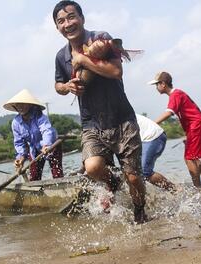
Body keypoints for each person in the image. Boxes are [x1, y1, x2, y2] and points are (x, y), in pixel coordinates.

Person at [53, 0, 147, 223]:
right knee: (93, 167)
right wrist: (67, 87)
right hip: (92, 123)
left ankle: (140, 211)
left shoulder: (100, 38)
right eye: (61, 21)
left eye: (71, 17)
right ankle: (112, 182)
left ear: (82, 18)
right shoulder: (61, 56)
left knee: (133, 177)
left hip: (122, 118)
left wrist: (84, 59)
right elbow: (57, 85)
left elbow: (116, 71)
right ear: (57, 28)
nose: (67, 24)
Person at [149, 71, 201, 188]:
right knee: (193, 157)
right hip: (196, 126)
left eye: (156, 84)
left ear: (163, 84)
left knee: (189, 158)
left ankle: (198, 189)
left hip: (196, 125)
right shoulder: (177, 94)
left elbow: (169, 112)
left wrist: (152, 123)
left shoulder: (175, 95)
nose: (156, 87)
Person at [3, 89, 64, 181]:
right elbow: (19, 143)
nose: (20, 107)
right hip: (34, 150)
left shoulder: (40, 117)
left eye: (23, 104)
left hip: (52, 146)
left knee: (57, 173)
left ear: (29, 104)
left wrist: (46, 145)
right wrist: (21, 159)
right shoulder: (16, 123)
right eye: (18, 105)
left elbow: (47, 131)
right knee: (34, 177)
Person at [136, 114, 176, 193]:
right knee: (135, 171)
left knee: (145, 171)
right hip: (142, 139)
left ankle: (176, 190)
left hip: (152, 136)